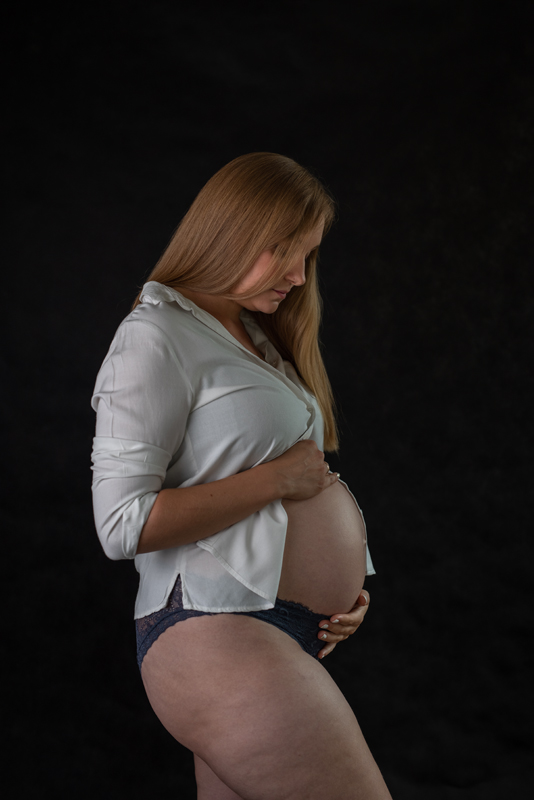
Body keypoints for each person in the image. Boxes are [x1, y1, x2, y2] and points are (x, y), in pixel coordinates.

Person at [91, 152, 392, 799]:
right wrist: (277, 481)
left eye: (308, 256)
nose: (299, 276)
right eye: (285, 250)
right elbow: (122, 525)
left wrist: (339, 599)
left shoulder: (254, 335)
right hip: (214, 630)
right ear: (230, 232)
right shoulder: (155, 334)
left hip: (268, 628)